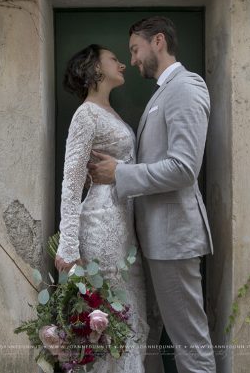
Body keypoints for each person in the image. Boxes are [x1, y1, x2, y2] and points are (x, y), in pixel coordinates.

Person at [87, 16, 217, 373]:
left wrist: (120, 173)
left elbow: (183, 167)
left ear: (157, 41)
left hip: (175, 239)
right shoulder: (164, 91)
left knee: (189, 340)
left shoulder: (187, 87)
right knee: (164, 334)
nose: (132, 60)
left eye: (135, 49)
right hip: (158, 239)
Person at [55, 44, 149, 372]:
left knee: (129, 319)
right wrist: (68, 247)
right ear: (95, 68)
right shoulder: (86, 114)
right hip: (102, 224)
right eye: (113, 59)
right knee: (112, 319)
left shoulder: (109, 112)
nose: (122, 64)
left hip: (125, 225)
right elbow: (71, 182)